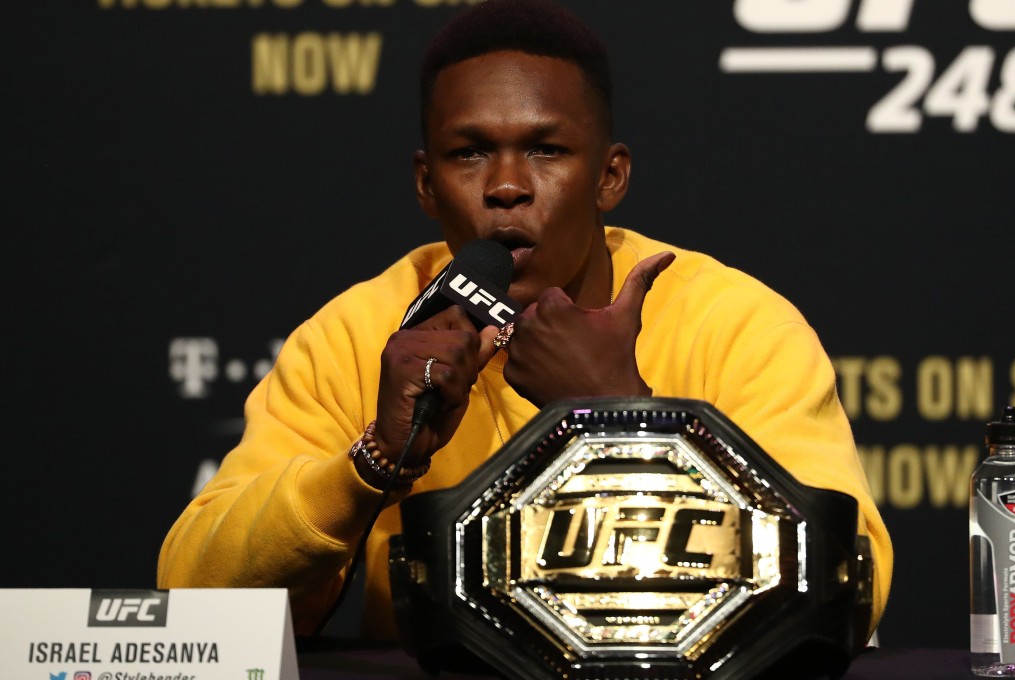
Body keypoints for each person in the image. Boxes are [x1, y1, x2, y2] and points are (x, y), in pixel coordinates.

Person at [157, 0, 892, 642]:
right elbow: (191, 598)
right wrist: (376, 459)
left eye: (546, 150)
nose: (507, 187)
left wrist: (628, 419)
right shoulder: (360, 333)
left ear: (610, 176)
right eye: (470, 153)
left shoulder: (737, 325)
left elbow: (851, 576)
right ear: (426, 184)